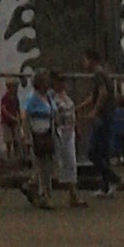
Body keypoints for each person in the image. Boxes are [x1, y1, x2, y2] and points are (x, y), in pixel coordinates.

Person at [79, 48, 119, 197]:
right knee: (102, 152)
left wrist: (95, 111)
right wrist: (80, 107)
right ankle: (106, 184)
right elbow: (94, 96)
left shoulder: (98, 74)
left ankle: (113, 179)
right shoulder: (102, 73)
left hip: (102, 117)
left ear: (91, 59)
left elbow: (103, 93)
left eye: (84, 59)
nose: (83, 63)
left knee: (93, 152)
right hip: (105, 116)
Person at [49, 71, 86, 207]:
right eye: (59, 81)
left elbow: (72, 113)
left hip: (69, 133)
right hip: (58, 132)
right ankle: (40, 189)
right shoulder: (50, 97)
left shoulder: (66, 96)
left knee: (70, 162)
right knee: (53, 163)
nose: (62, 84)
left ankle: (73, 194)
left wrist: (77, 128)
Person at [23, 70, 56, 209]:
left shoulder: (49, 97)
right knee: (42, 166)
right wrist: (27, 136)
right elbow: (26, 117)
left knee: (47, 166)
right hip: (37, 135)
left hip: (48, 133)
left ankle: (33, 186)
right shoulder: (33, 98)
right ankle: (45, 195)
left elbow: (54, 114)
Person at [0, 80, 22, 161]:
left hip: (14, 121)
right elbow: (4, 109)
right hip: (6, 121)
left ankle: (17, 156)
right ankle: (8, 156)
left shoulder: (16, 98)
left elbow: (17, 109)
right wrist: (11, 117)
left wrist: (19, 118)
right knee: (8, 139)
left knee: (16, 138)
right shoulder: (5, 98)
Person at [111, 86, 124, 167]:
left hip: (116, 132)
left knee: (117, 147)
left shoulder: (114, 112)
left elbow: (111, 121)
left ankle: (119, 160)